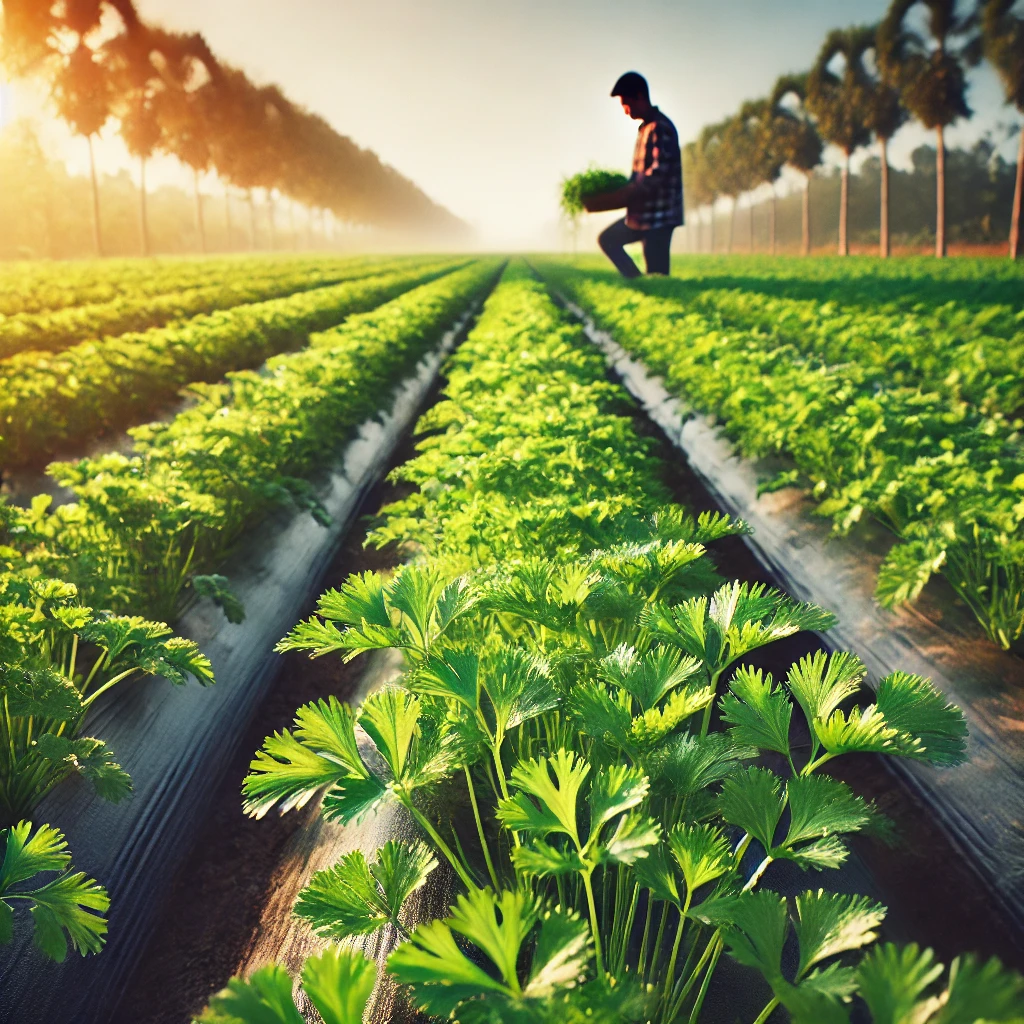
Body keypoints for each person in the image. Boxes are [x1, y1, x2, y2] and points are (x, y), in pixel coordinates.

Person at [584, 71, 683, 277]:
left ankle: (649, 288)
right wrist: (616, 190)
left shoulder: (660, 128)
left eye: (626, 104)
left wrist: (624, 195)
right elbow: (638, 175)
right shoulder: (645, 129)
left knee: (657, 273)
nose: (625, 110)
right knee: (608, 240)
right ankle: (639, 284)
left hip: (659, 216)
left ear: (640, 96)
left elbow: (656, 176)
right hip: (642, 214)